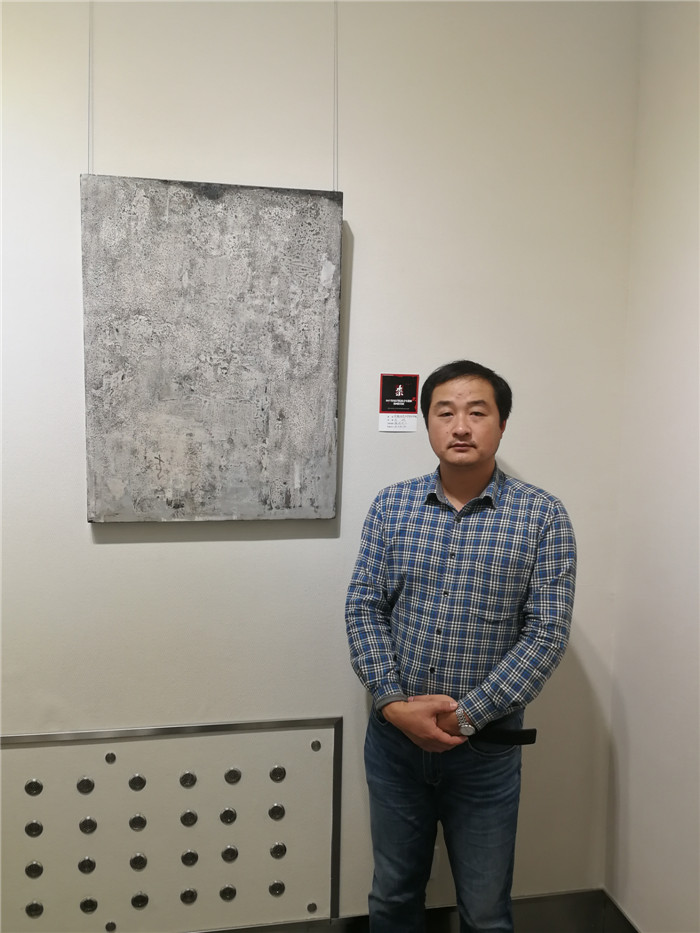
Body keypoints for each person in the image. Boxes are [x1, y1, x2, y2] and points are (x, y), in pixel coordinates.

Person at [345, 359, 576, 933]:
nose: (461, 426)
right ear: (427, 423)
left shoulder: (542, 516)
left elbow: (546, 633)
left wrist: (465, 716)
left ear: (502, 424)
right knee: (393, 896)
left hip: (485, 751)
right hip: (395, 744)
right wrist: (394, 704)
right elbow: (364, 607)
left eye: (478, 412)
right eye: (445, 412)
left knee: (486, 910)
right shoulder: (392, 506)